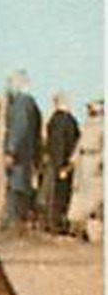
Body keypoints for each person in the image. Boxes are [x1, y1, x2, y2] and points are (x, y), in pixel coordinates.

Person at [1, 71, 43, 230]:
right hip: (26, 154)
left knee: (16, 187)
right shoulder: (29, 102)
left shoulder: (22, 102)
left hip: (19, 156)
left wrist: (11, 150)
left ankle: (15, 224)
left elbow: (19, 127)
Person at [40, 93, 80, 234]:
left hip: (55, 161)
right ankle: (56, 225)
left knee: (53, 194)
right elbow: (62, 144)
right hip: (62, 163)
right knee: (59, 195)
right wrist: (62, 165)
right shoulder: (66, 120)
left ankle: (52, 224)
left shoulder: (54, 120)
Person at [65, 99, 104, 240]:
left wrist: (101, 163)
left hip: (95, 162)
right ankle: (78, 229)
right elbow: (79, 145)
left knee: (94, 197)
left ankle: (94, 230)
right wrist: (71, 163)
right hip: (83, 163)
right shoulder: (87, 125)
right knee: (79, 194)